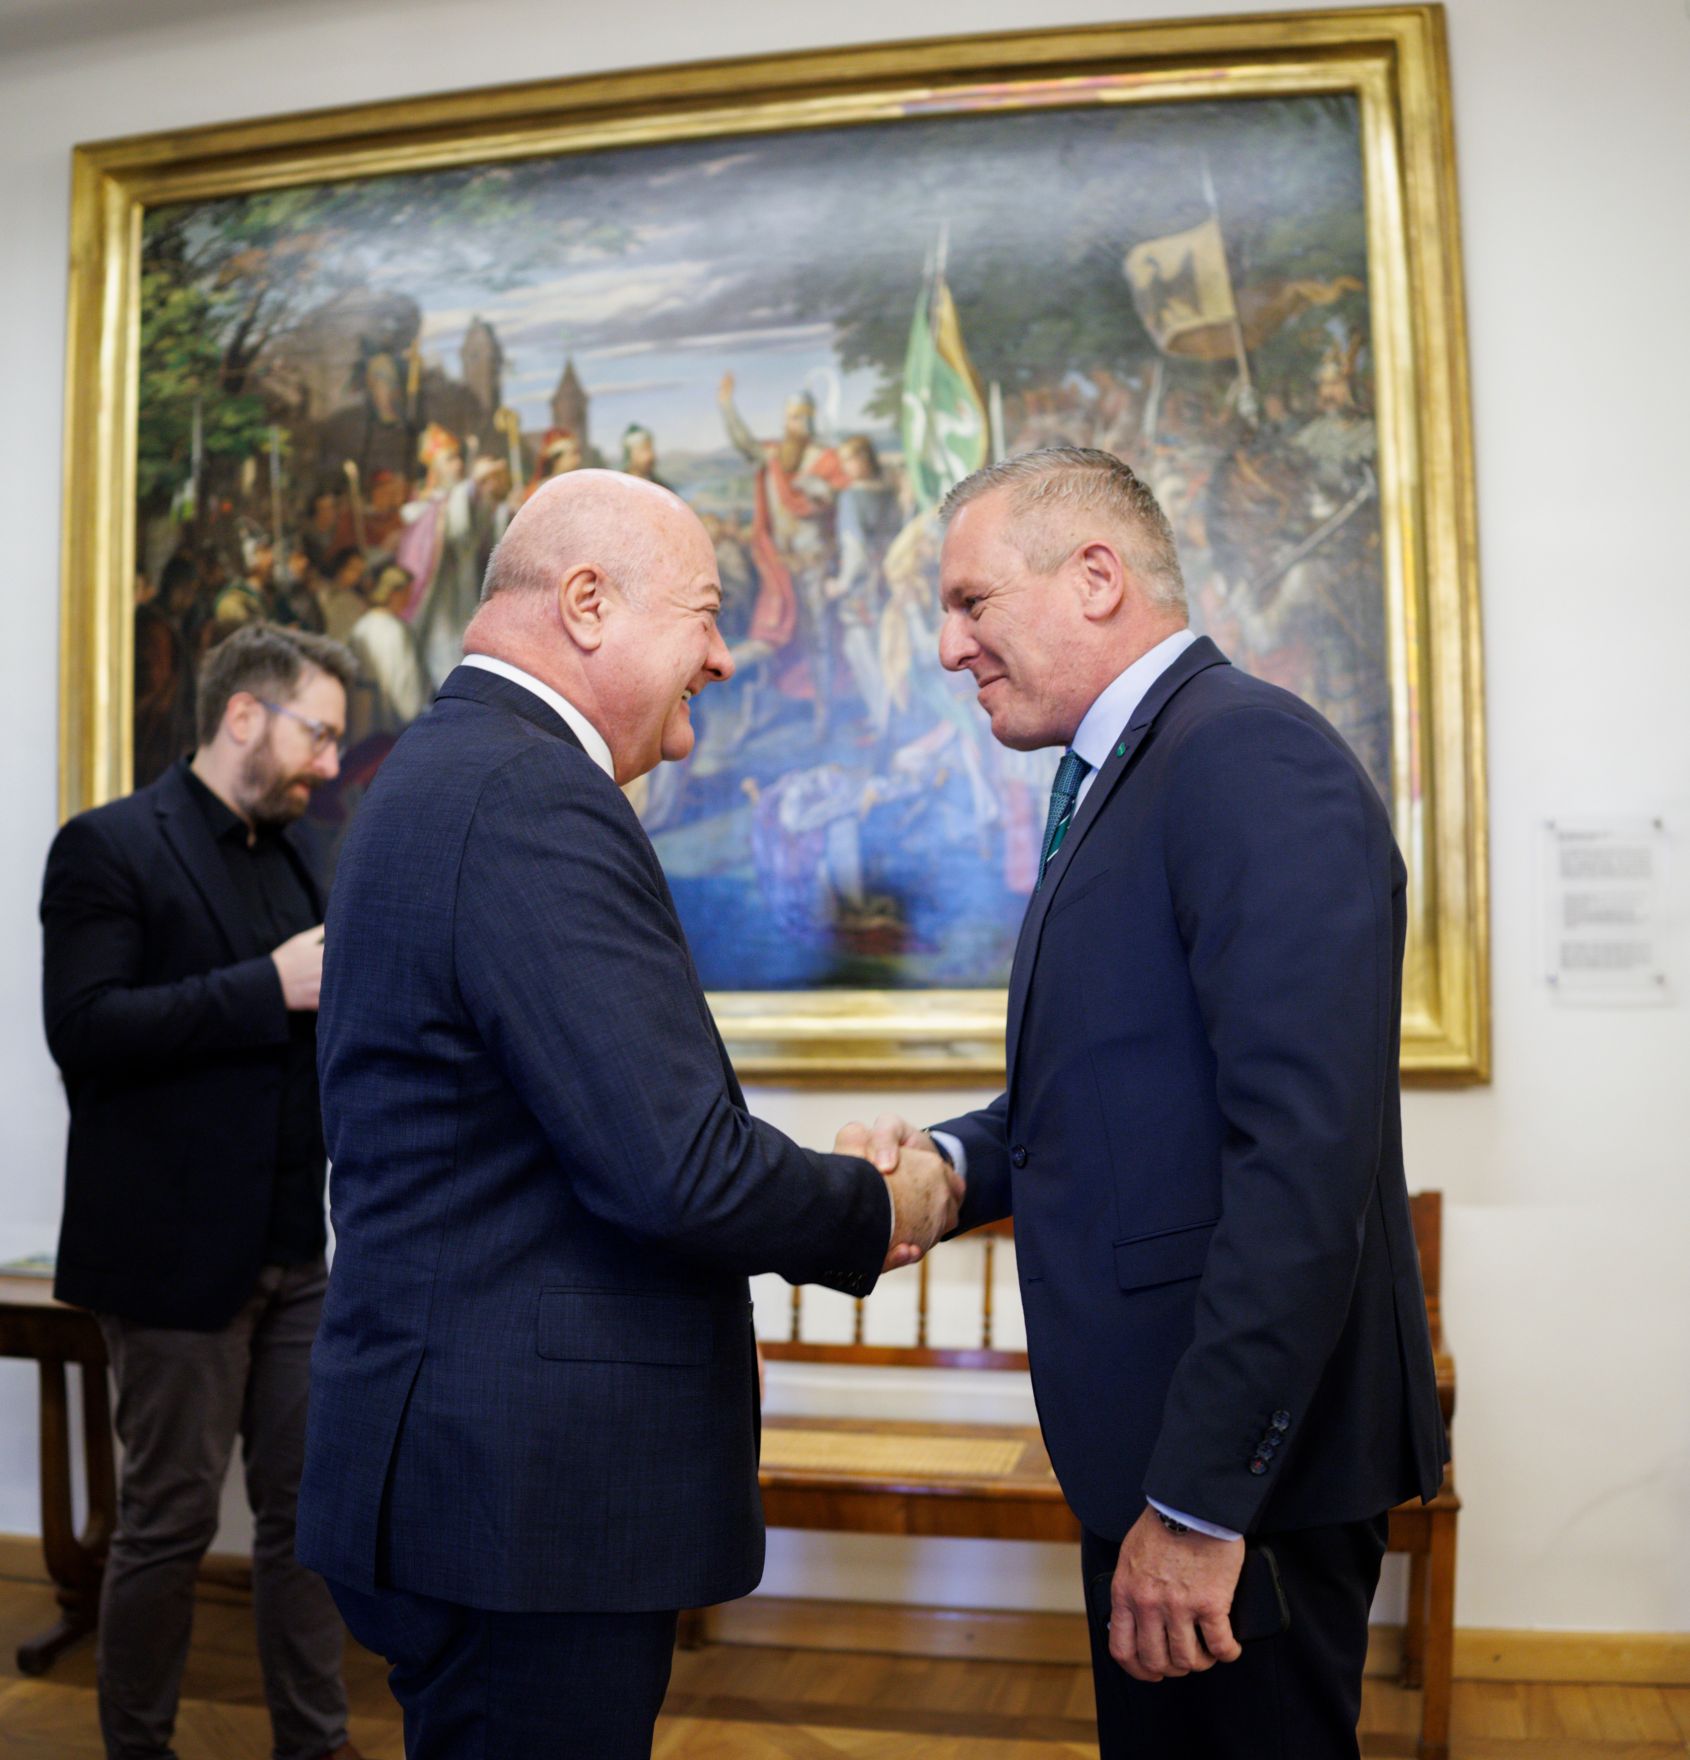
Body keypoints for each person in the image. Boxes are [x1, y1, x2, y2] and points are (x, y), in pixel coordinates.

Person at [295, 468, 961, 1759]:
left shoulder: (441, 775)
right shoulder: (531, 796)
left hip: (466, 1474)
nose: (716, 667)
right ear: (586, 603)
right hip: (522, 1502)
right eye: (705, 619)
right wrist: (885, 1203)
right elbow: (677, 1172)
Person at [839, 446, 1447, 1760]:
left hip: (1231, 1483)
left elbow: (1299, 1157)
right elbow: (1102, 1102)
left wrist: (1197, 1503)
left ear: (1097, 578)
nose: (948, 647)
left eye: (970, 603)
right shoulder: (1138, 771)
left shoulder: (1242, 760)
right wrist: (944, 1164)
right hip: (1163, 1454)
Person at [40, 624, 362, 1760]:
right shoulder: (107, 846)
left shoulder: (304, 854)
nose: (330, 762)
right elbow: (83, 1031)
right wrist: (262, 987)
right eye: (318, 733)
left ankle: (314, 1743)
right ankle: (138, 1747)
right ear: (243, 716)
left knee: (304, 1519)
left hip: (301, 1247)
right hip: (174, 1256)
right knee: (168, 1525)